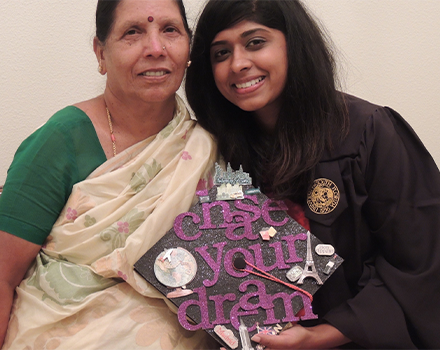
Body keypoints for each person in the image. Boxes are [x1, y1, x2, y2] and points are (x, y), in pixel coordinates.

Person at [185, 0, 440, 349]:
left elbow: (420, 264)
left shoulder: (367, 132)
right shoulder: (216, 151)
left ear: (294, 43)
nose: (238, 63)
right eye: (220, 53)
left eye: (255, 42)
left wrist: (320, 337)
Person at [0, 0, 219, 348]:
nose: (156, 48)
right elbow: (2, 275)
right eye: (133, 32)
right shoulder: (61, 139)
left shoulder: (206, 148)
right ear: (100, 54)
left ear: (189, 48)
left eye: (170, 30)